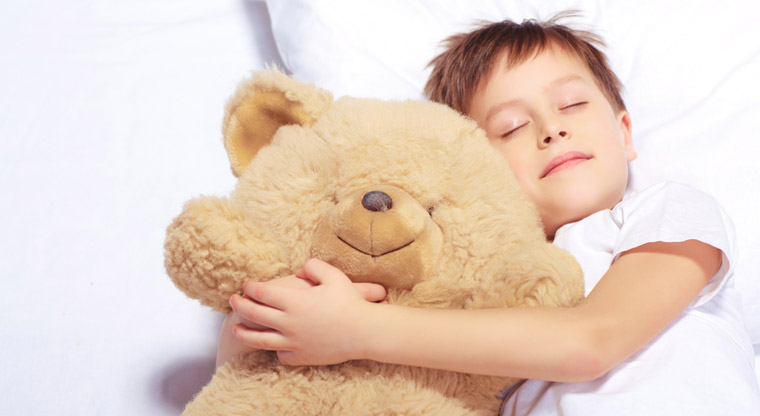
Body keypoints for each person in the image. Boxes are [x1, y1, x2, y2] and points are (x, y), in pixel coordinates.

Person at [218, 14, 760, 415]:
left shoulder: (664, 208)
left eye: (572, 104)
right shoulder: (474, 288)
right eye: (510, 128)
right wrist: (274, 321)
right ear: (478, 168)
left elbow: (593, 341)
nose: (552, 128)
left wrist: (361, 328)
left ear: (624, 132)